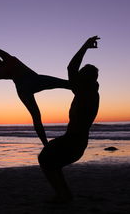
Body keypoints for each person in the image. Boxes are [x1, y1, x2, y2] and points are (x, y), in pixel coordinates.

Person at [0, 40, 70, 146]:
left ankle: (45, 144)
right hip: (29, 85)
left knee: (63, 87)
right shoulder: (4, 64)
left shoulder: (2, 67)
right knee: (38, 114)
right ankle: (45, 144)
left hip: (30, 85)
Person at [38, 36, 100, 203]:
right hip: (75, 141)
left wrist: (85, 46)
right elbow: (73, 70)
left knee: (45, 159)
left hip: (74, 142)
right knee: (50, 161)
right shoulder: (89, 92)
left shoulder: (86, 93)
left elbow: (71, 67)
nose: (75, 77)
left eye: (80, 75)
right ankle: (64, 194)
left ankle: (63, 195)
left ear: (86, 79)